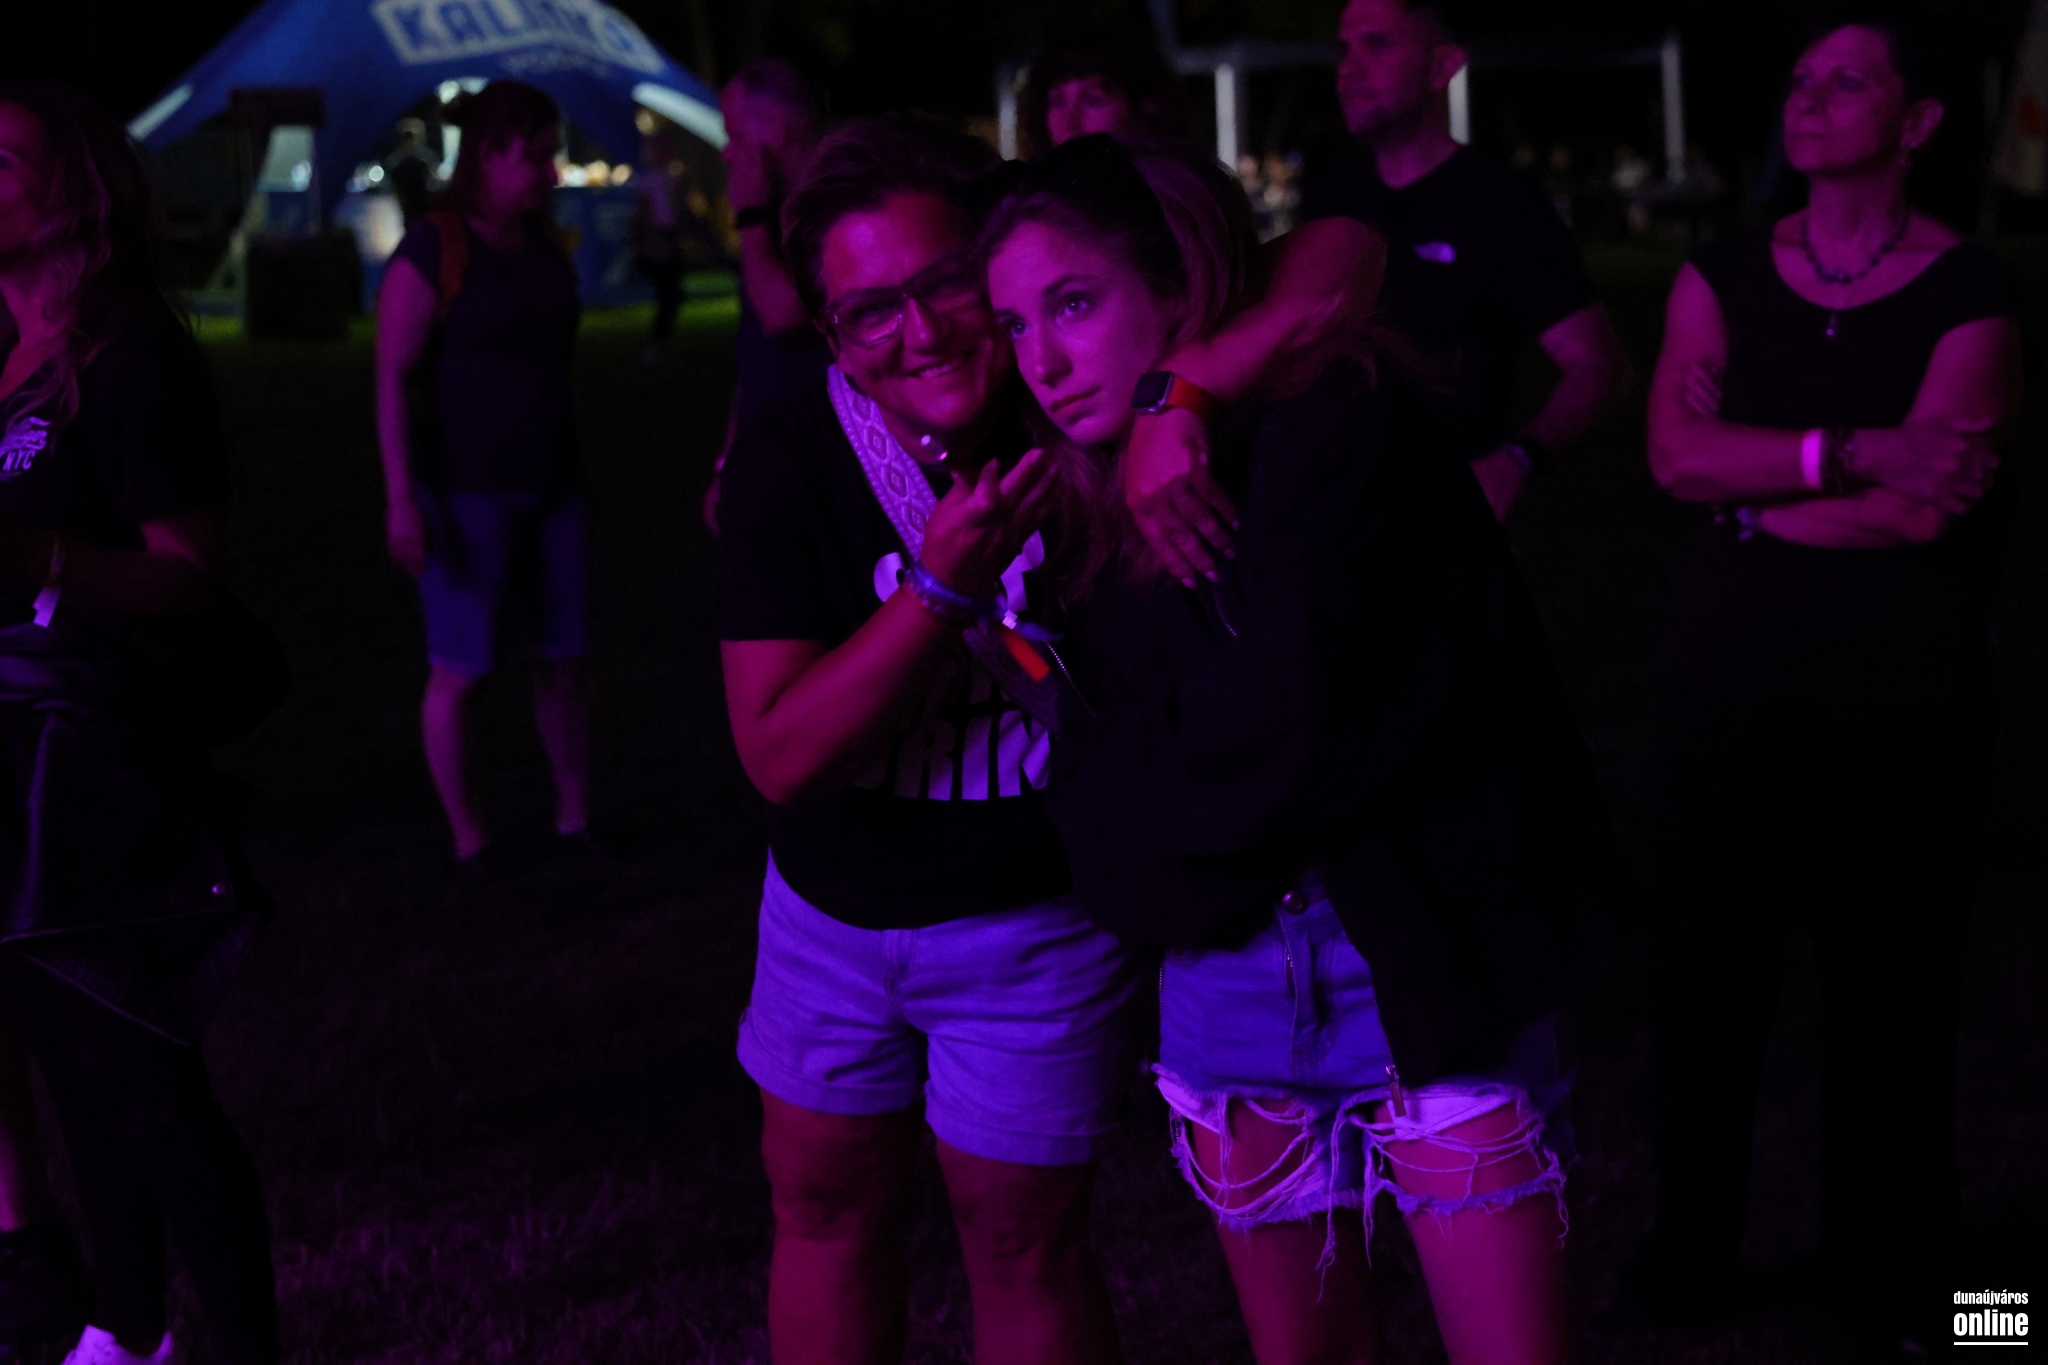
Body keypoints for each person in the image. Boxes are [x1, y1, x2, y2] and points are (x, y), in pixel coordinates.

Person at [716, 113, 1382, 1365]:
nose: (919, 332)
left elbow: (1340, 249)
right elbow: (780, 757)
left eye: (945, 285)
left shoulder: (1081, 392)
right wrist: (938, 591)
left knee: (1022, 1240)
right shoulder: (794, 454)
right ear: (831, 336)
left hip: (1034, 921)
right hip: (831, 917)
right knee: (819, 1204)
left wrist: (1182, 395)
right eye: (868, 312)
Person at [985, 132, 1597, 1365]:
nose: (1041, 360)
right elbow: (1102, 817)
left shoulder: (1335, 422)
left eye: (1074, 304)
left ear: (1177, 286)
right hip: (1230, 991)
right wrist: (1145, 791)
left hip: (1414, 954)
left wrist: (1142, 781)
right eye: (1014, 324)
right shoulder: (1079, 506)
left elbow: (1303, 728)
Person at [1610, 5, 2021, 1355]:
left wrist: (1756, 486)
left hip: (1900, 688)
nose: (1808, 97)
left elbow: (1926, 507)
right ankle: (1688, 1254)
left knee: (1888, 989)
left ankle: (1908, 1288)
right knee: (1704, 981)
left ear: (1917, 121)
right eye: (1800, 78)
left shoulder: (1970, 292)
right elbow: (1672, 456)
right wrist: (1853, 450)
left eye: (1846, 81)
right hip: (1727, 679)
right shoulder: (1724, 271)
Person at [0, 82, 282, 1365]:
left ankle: (245, 1343)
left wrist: (44, 555)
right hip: (17, 757)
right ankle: (122, 1328)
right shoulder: (10, 348)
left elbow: (187, 575)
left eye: (2, 162)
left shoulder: (130, 359)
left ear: (77, 190)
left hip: (99, 765)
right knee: (68, 1063)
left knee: (144, 1078)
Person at [1302, 0, 1631, 520]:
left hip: (1437, 514)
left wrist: (1517, 459)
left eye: (1378, 44)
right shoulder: (1331, 200)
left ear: (1444, 65)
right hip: (1325, 506)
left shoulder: (1499, 203)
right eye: (1344, 49)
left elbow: (1597, 364)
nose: (1349, 69)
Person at [375, 81, 590, 872]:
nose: (549, 172)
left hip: (551, 483)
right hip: (466, 491)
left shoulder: (538, 240)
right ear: (489, 154)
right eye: (535, 156)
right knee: (460, 668)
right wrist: (402, 498)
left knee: (563, 658)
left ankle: (575, 820)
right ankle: (470, 838)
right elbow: (392, 378)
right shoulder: (435, 248)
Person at [701, 59, 832, 534]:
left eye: (735, 134)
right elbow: (755, 356)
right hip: (771, 455)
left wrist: (751, 217)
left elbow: (783, 313)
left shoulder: (831, 203)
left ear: (776, 127)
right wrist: (727, 463)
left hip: (822, 460)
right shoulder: (773, 214)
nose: (727, 152)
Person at [1018, 23, 1188, 160]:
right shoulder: (1038, 189)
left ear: (1146, 109)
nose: (1070, 121)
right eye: (1058, 102)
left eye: (1092, 101)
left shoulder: (1167, 187)